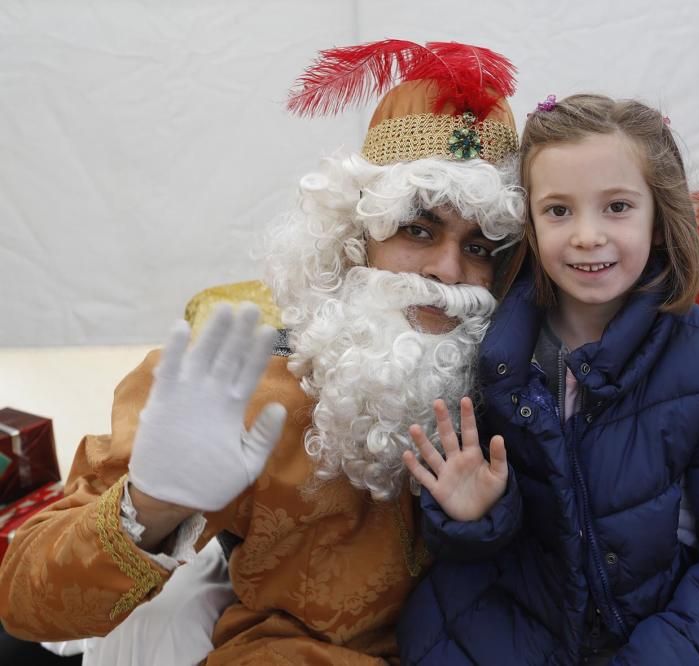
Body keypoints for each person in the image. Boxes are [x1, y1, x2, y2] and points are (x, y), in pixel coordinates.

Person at [0, 39, 524, 664]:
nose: (446, 271)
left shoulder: (532, 381)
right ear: (357, 238)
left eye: (480, 246)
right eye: (418, 229)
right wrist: (151, 506)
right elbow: (24, 599)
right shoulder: (247, 386)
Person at [398, 94, 699, 664]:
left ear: (660, 220)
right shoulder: (487, 352)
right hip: (515, 622)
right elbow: (483, 543)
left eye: (616, 206)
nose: (587, 235)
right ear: (531, 228)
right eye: (559, 211)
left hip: (675, 632)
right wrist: (476, 517)